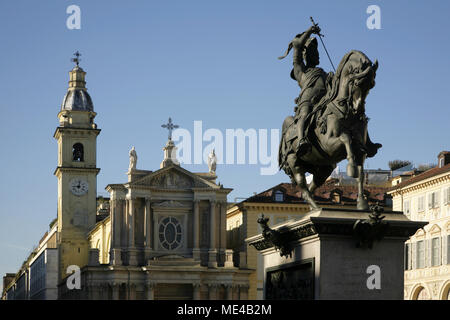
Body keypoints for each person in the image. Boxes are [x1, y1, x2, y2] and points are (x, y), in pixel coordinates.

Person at [289, 25, 328, 156]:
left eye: (317, 51)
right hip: (308, 102)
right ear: (306, 55)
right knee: (304, 115)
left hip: (324, 102)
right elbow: (298, 45)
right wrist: (310, 31)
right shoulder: (301, 71)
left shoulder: (323, 73)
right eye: (314, 51)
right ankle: (301, 140)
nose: (317, 54)